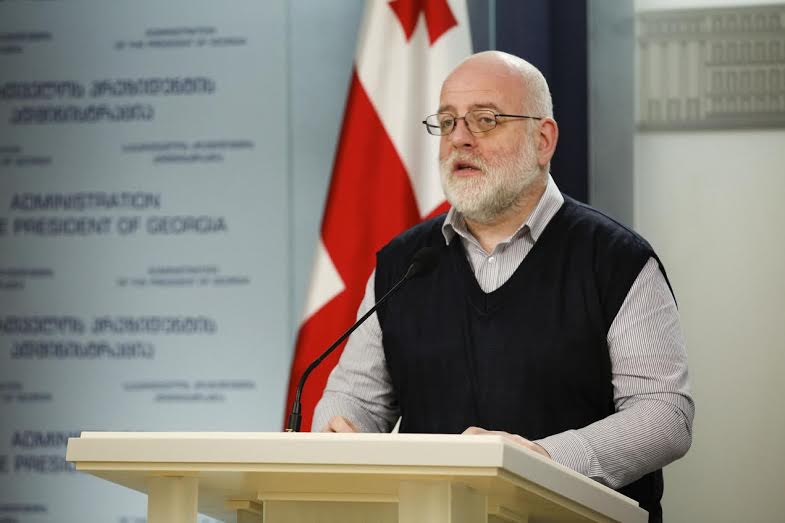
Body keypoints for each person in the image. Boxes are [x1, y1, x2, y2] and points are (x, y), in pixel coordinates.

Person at [313, 50, 693, 521]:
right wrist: (340, 432)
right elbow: (355, 398)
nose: (459, 139)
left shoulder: (616, 259)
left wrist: (542, 462)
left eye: (485, 120)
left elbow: (664, 415)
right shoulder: (403, 264)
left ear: (543, 139)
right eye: (447, 122)